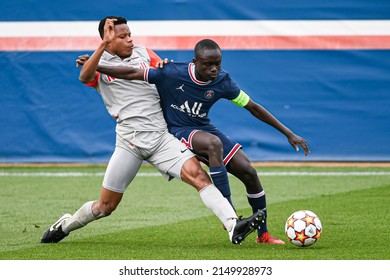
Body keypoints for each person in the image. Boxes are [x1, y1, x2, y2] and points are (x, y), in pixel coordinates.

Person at [40, 17, 264, 245]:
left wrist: (163, 65)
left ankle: (233, 225)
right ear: (107, 39)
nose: (129, 39)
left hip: (160, 137)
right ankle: (66, 224)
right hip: (129, 141)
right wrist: (101, 46)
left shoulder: (145, 53)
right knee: (105, 206)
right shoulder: (98, 60)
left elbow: (166, 73)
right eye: (122, 36)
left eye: (129, 34)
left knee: (199, 177)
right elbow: (85, 77)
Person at [93, 39, 311, 245]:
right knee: (213, 144)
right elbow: (132, 72)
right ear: (195, 62)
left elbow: (252, 106)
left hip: (203, 128)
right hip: (177, 131)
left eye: (217, 64)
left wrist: (288, 133)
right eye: (208, 65)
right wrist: (98, 65)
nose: (214, 69)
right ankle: (232, 220)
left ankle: (263, 234)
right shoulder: (172, 72)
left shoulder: (223, 81)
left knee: (248, 171)